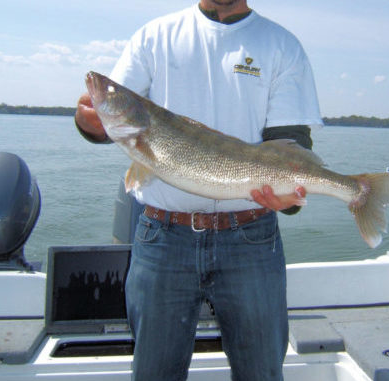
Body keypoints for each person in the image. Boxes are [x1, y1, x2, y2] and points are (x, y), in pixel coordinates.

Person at [75, 0, 322, 380]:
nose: (103, 91)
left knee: (262, 373)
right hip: (161, 237)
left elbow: (289, 142)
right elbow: (110, 118)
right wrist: (90, 121)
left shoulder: (281, 45)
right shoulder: (154, 36)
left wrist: (289, 199)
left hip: (251, 238)